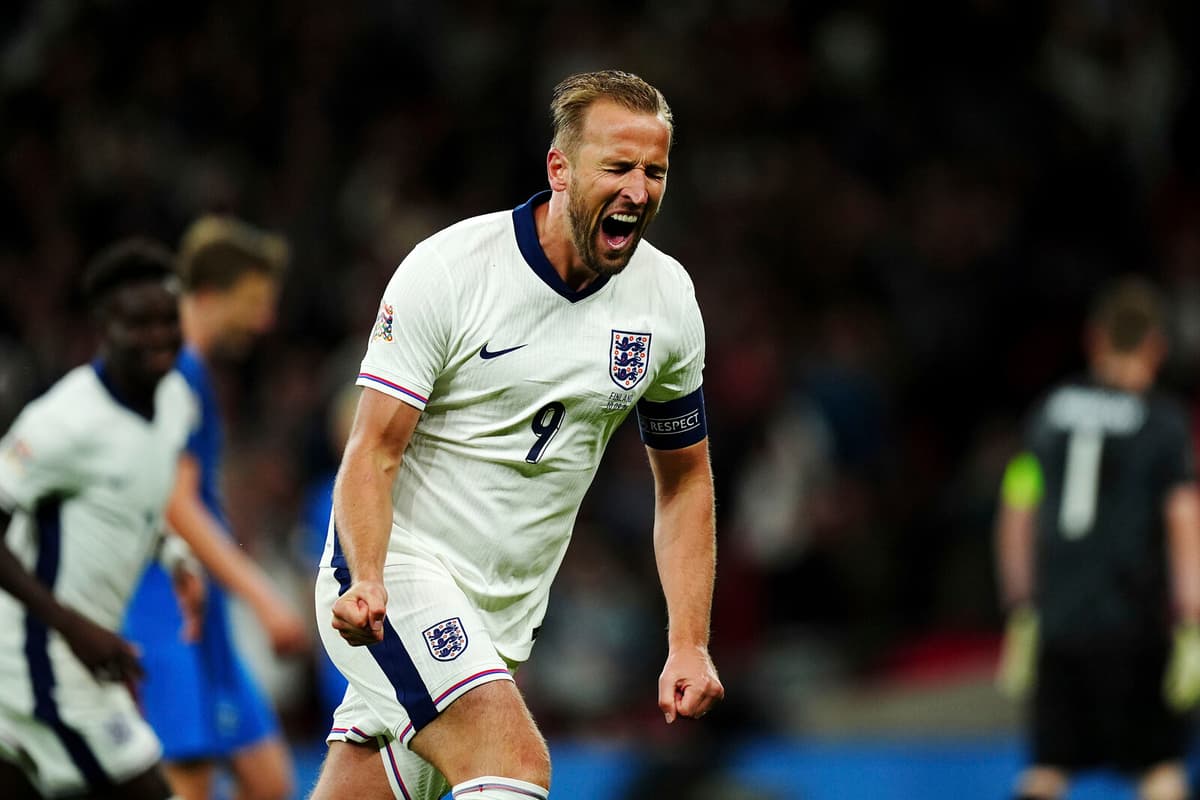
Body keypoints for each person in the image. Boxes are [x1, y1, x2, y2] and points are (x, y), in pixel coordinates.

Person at [310, 69, 724, 800]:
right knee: (513, 765)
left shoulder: (666, 302)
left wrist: (687, 640)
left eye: (655, 171)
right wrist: (369, 576)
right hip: (390, 581)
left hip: (501, 618)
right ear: (560, 170)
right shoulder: (451, 271)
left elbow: (685, 479)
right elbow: (373, 448)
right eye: (618, 167)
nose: (638, 189)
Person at [0, 238, 201, 799]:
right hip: (43, 660)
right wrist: (73, 628)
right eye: (139, 323)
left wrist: (175, 556)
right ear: (103, 323)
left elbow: (134, 502)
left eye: (168, 320)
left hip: (80, 658)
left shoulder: (177, 401)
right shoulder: (62, 422)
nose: (159, 337)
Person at [122, 216, 309, 800]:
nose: (265, 320)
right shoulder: (172, 370)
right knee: (190, 783)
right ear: (210, 295)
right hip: (164, 603)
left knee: (268, 780)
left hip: (204, 606)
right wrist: (263, 597)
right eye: (254, 302)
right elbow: (175, 505)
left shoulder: (193, 373)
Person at [994, 275, 1200, 800]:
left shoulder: (1048, 412)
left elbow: (1018, 506)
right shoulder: (1163, 423)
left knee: (1047, 768)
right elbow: (1182, 515)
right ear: (1156, 345)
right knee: (1160, 766)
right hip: (1136, 622)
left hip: (1060, 623)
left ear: (1095, 338)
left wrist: (1020, 603)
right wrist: (1194, 615)